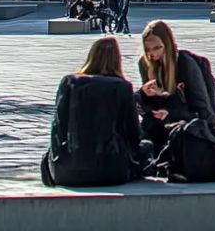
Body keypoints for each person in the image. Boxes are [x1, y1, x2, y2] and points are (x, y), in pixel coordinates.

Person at [41, 37, 151, 187]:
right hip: (110, 172)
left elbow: (58, 127)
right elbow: (133, 135)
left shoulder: (69, 83)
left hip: (66, 172)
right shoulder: (122, 86)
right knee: (147, 146)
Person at [137, 20, 215, 149]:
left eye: (157, 48)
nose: (153, 53)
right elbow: (147, 110)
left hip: (188, 132)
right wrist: (144, 95)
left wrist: (171, 113)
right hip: (160, 129)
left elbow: (204, 112)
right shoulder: (145, 63)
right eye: (148, 49)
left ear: (167, 44)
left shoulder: (185, 63)